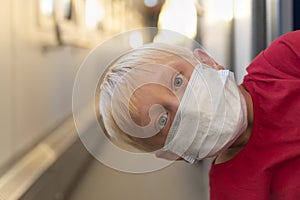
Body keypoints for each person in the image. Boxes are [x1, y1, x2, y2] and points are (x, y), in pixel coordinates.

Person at [99, 30, 300, 199]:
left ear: (207, 61)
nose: (183, 106)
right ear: (176, 154)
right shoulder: (230, 193)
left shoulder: (283, 61)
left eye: (178, 81)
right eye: (163, 120)